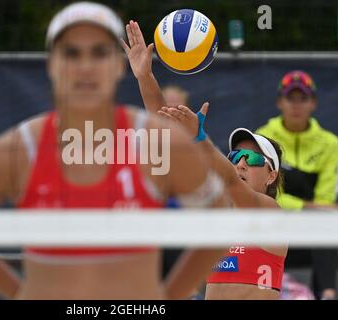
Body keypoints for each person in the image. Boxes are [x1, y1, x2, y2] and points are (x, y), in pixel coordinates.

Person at [0, 2, 227, 299]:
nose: (86, 66)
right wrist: (17, 291)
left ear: (118, 65)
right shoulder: (22, 148)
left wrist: (168, 295)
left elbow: (220, 219)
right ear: (51, 64)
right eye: (72, 53)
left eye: (99, 53)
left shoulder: (151, 141)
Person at [123, 20, 287, 299]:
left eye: (251, 157)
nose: (240, 162)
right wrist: (144, 76)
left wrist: (199, 138)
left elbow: (234, 186)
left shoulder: (269, 212)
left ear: (271, 175)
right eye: (234, 155)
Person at [256, 70, 338, 300]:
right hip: (272, 226)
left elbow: (325, 200)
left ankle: (326, 295)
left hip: (311, 233)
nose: (296, 105)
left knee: (328, 224)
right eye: (289, 97)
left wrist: (311, 209)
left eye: (302, 98)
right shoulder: (263, 138)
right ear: (279, 102)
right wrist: (308, 207)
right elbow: (264, 195)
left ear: (313, 103)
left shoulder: (330, 143)